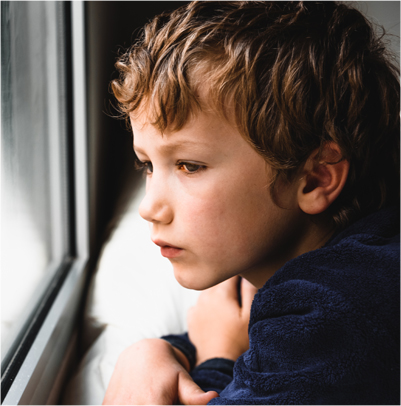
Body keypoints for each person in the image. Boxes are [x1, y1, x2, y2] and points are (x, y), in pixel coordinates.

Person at [103, 1, 400, 404]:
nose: (150, 208)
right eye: (147, 165)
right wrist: (157, 352)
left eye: (189, 166)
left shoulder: (333, 310)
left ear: (315, 178)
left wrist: (216, 360)